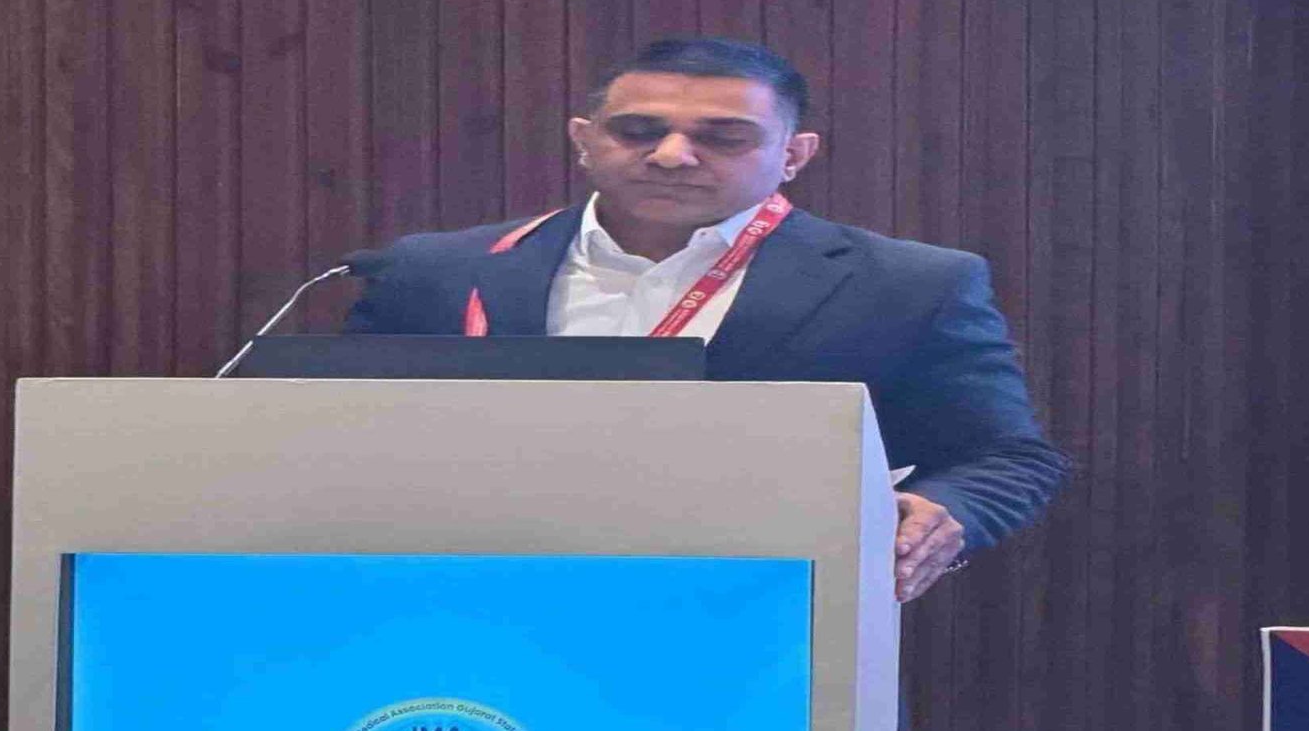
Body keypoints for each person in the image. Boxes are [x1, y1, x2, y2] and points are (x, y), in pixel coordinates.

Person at [345, 38, 1066, 601]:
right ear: (583, 139)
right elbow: (340, 425)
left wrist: (944, 512)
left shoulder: (908, 285)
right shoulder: (437, 269)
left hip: (765, 630)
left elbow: (1009, 457)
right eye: (637, 130)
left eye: (724, 137)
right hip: (466, 607)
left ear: (794, 154)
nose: (670, 156)